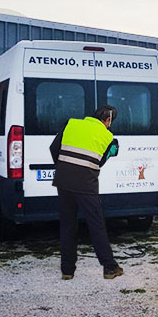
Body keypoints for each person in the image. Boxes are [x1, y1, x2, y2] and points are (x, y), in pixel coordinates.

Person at [50, 105, 123, 280]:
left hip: (63, 181)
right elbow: (100, 161)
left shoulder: (71, 124)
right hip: (86, 185)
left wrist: (64, 168)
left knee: (68, 225)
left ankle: (67, 270)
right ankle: (110, 268)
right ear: (108, 120)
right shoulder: (108, 137)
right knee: (96, 225)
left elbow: (54, 148)